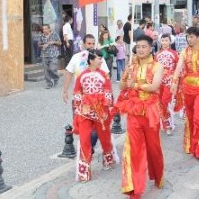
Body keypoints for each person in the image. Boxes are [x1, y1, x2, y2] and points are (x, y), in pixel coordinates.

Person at [116, 35, 164, 198]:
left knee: (153, 148)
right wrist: (125, 75)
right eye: (138, 46)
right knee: (134, 149)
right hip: (134, 112)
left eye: (144, 46)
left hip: (150, 112)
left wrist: (135, 84)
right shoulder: (132, 65)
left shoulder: (158, 66)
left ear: (150, 48)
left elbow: (155, 86)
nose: (141, 49)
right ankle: (134, 187)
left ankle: (157, 175)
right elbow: (123, 87)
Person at [61, 34, 110, 155]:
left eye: (93, 43)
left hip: (97, 101)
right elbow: (69, 72)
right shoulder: (76, 57)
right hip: (80, 99)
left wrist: (107, 97)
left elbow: (107, 76)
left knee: (94, 131)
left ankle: (90, 146)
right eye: (89, 43)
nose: (91, 46)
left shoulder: (98, 58)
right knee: (82, 127)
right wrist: (65, 91)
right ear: (83, 44)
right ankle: (86, 149)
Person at [170, 26, 199, 159]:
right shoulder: (184, 52)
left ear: (198, 37)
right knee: (189, 118)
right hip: (187, 89)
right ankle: (190, 144)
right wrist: (174, 81)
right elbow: (178, 67)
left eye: (192, 37)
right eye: (188, 37)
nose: (189, 39)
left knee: (198, 118)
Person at [72, 50, 115, 182]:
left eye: (101, 59)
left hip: (101, 112)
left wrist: (106, 105)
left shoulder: (104, 75)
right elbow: (77, 91)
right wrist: (78, 107)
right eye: (99, 59)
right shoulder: (82, 75)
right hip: (85, 112)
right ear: (91, 60)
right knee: (84, 138)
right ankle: (84, 171)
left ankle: (108, 159)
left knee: (105, 137)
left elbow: (108, 91)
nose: (101, 61)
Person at [154, 34, 179, 134]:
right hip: (159, 81)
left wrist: (175, 80)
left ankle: (168, 124)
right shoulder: (157, 54)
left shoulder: (174, 54)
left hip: (169, 82)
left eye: (166, 40)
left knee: (165, 101)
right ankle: (165, 123)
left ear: (170, 41)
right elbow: (154, 68)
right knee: (160, 102)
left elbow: (178, 68)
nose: (164, 42)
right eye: (163, 40)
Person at [38, 24, 62, 89]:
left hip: (53, 54)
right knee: (46, 71)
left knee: (52, 69)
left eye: (45, 29)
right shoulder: (41, 36)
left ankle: (56, 78)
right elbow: (39, 45)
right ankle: (49, 84)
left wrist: (53, 42)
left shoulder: (54, 34)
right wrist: (43, 46)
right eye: (43, 29)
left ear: (49, 29)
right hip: (44, 55)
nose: (44, 30)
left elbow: (60, 43)